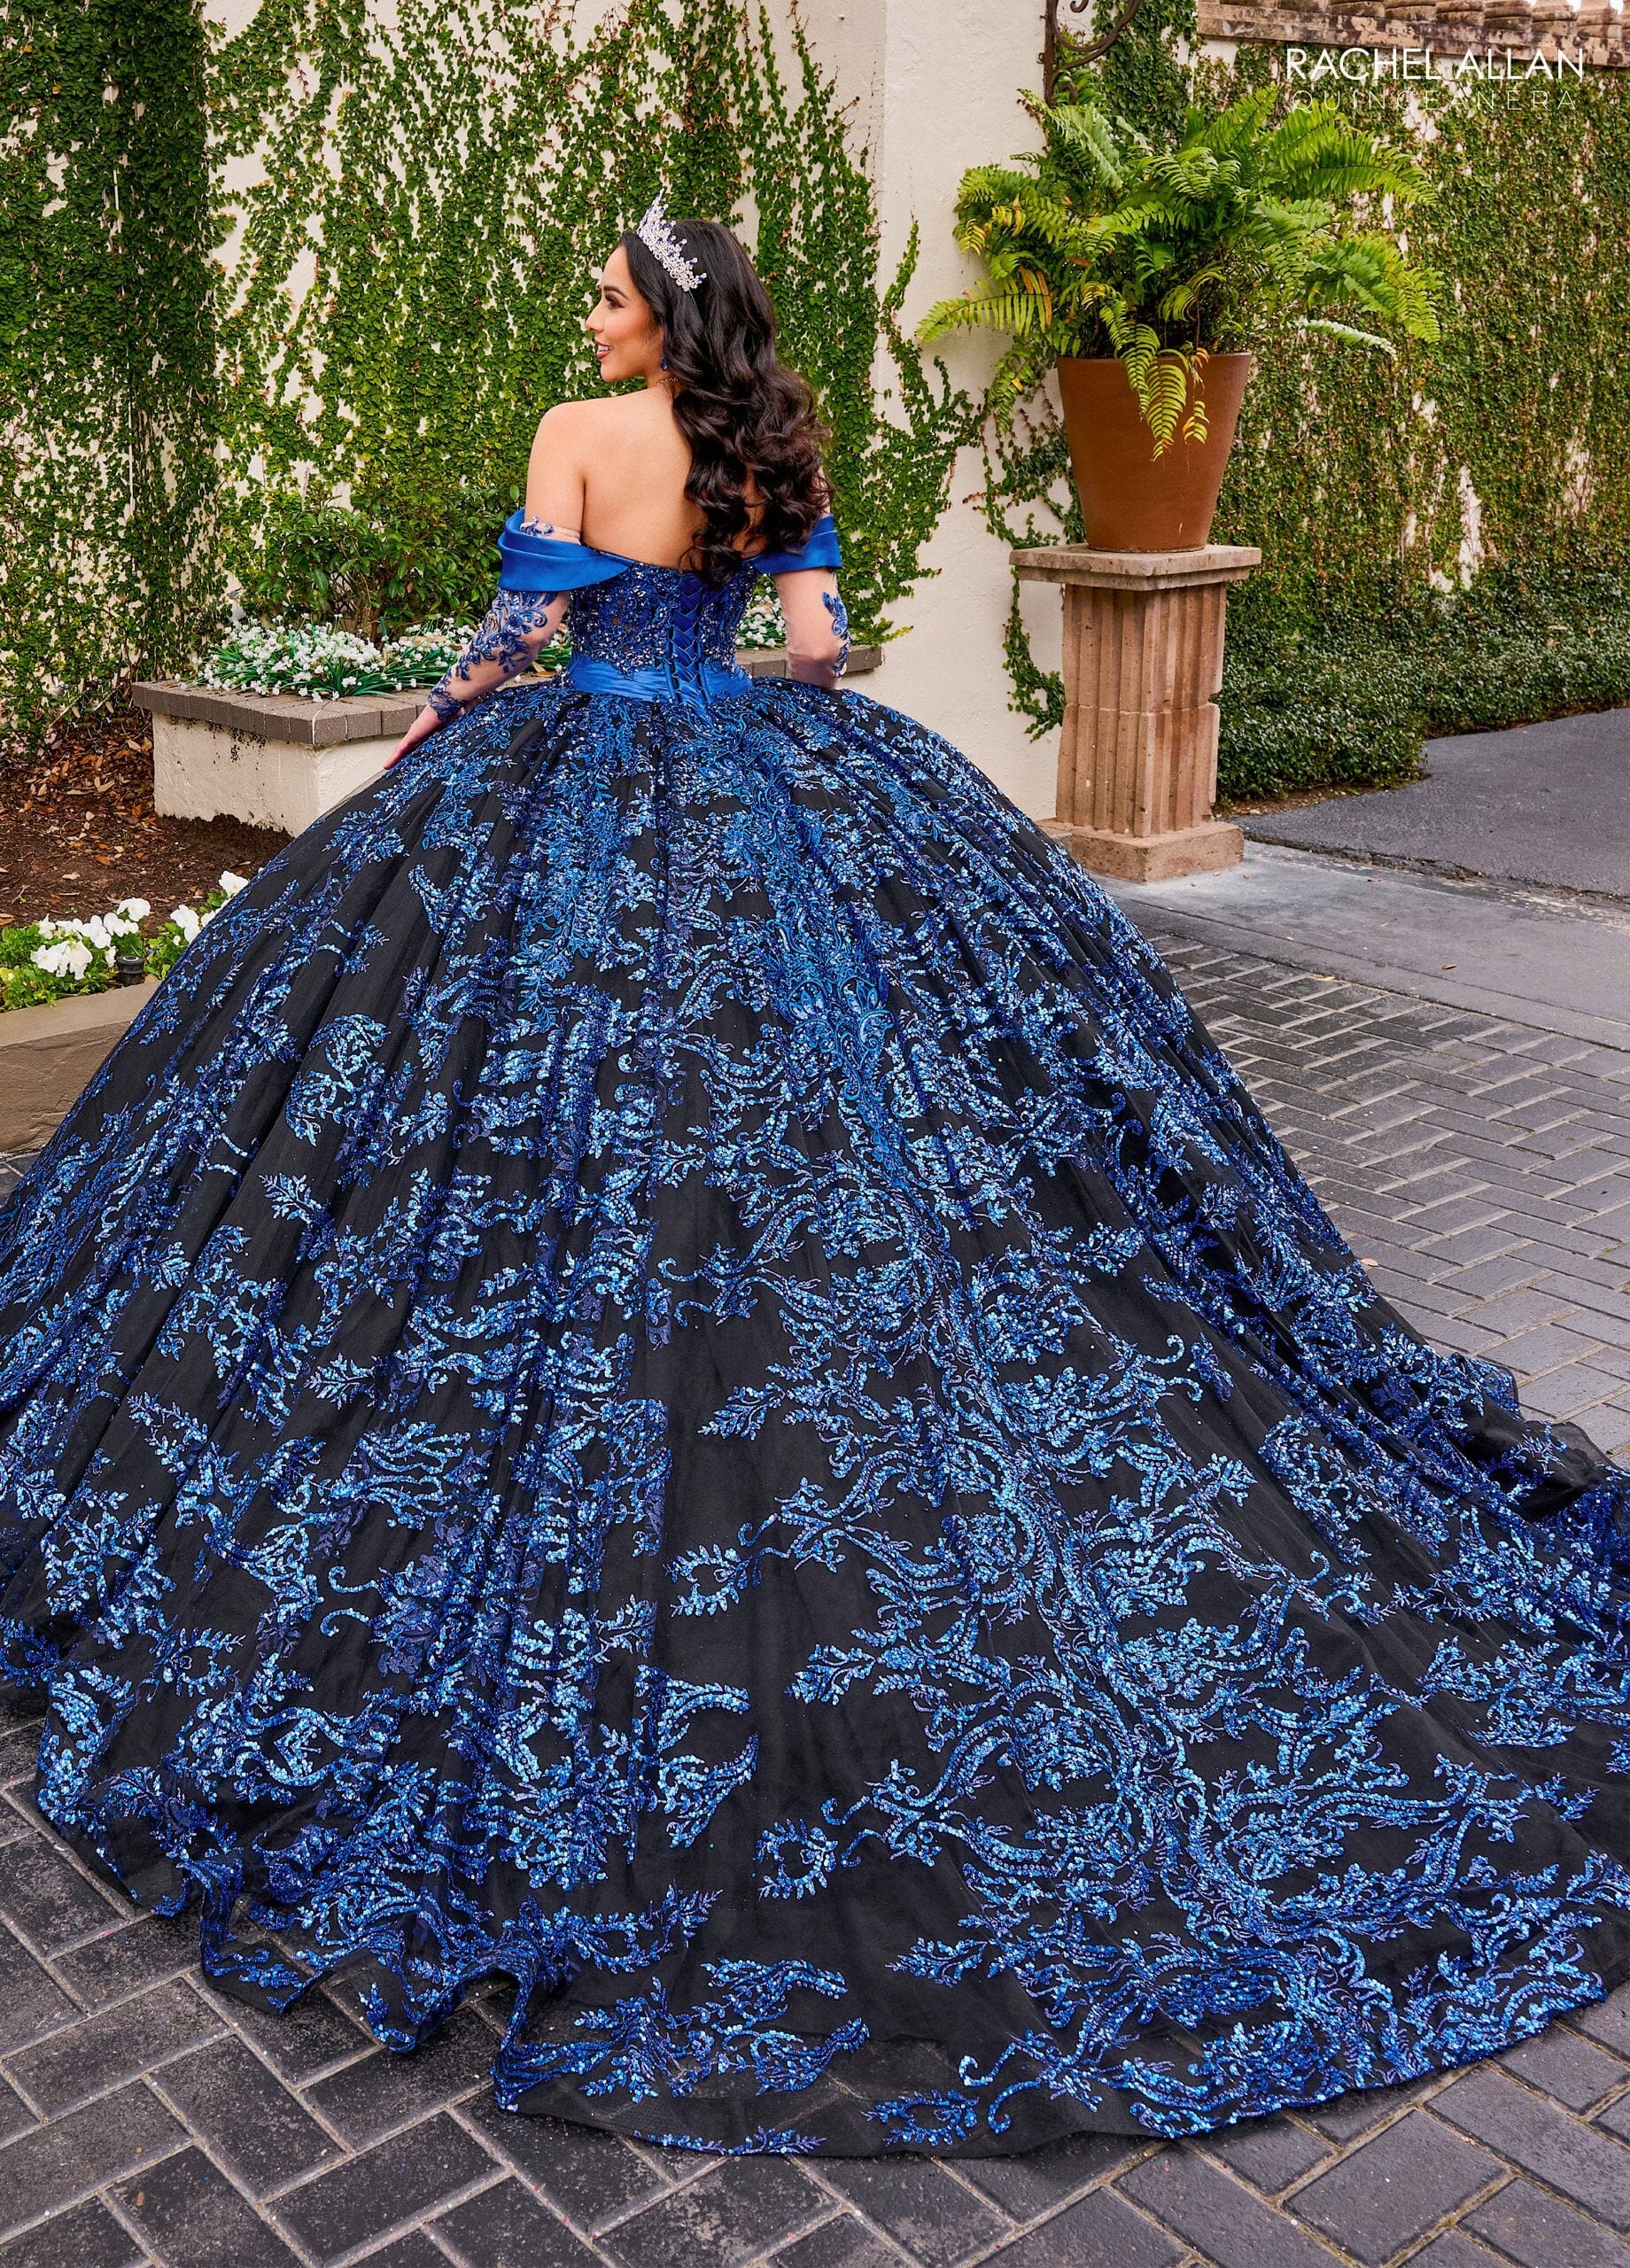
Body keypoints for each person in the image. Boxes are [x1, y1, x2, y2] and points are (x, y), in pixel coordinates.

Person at [2, 200, 1628, 2163]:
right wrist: (742, 695)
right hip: (761, 784)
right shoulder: (777, 441)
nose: (589, 308)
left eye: (609, 289)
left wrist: (445, 716)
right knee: (833, 1119)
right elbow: (819, 649)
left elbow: (516, 641)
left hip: (581, 789)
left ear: (659, 315)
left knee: (520, 1119)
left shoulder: (574, 433)